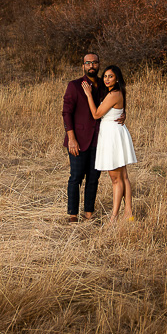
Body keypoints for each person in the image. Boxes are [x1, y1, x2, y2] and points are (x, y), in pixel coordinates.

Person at [82, 64, 137, 223]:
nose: (106, 79)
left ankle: (114, 217)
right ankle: (129, 213)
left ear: (117, 78)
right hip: (115, 132)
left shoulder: (114, 94)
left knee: (116, 179)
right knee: (124, 176)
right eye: (105, 76)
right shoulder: (115, 93)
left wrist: (88, 95)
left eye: (110, 76)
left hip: (112, 135)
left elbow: (96, 114)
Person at [62, 53, 105, 222]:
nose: (91, 66)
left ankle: (89, 214)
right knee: (76, 177)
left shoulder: (105, 84)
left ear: (99, 65)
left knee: (94, 178)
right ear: (83, 66)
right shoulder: (74, 85)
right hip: (78, 140)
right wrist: (71, 138)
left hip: (99, 139)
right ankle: (73, 214)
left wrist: (121, 115)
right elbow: (67, 113)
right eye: (88, 63)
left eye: (94, 63)